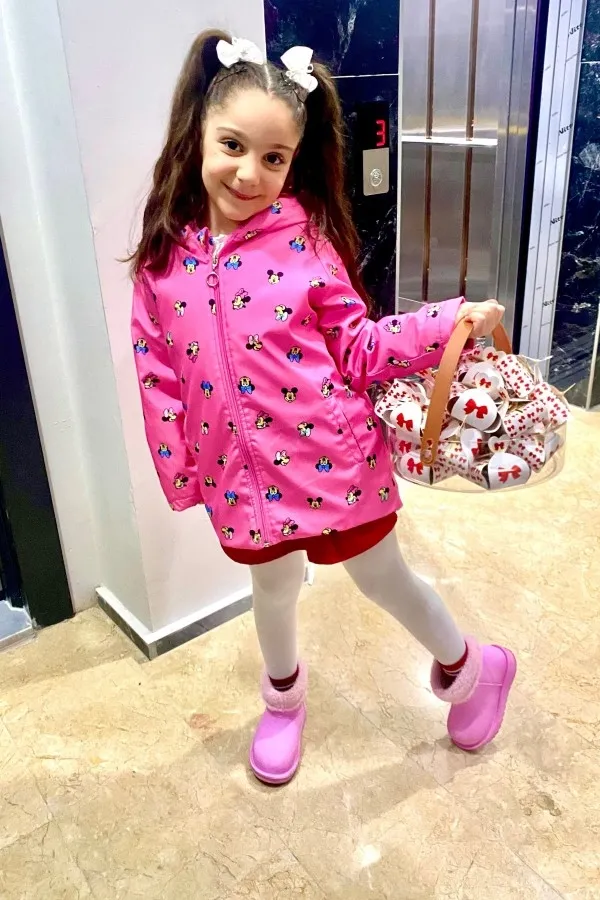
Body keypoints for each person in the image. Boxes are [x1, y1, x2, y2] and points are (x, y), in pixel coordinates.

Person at [129, 30, 516, 785]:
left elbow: (361, 347)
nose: (249, 172)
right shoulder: (162, 262)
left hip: (333, 461)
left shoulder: (304, 242)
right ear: (199, 132)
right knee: (272, 589)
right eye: (232, 145)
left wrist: (452, 321)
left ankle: (474, 669)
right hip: (239, 477)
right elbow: (158, 375)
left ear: (292, 162)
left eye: (273, 158)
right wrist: (183, 472)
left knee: (382, 578)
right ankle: (283, 703)